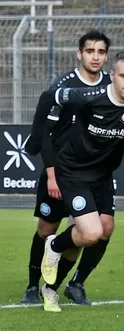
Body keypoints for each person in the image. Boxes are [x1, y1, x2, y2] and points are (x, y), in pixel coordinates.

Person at [22, 30, 112, 309]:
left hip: (95, 172)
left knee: (101, 229)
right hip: (62, 169)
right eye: (90, 51)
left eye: (101, 52)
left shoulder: (112, 86)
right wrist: (51, 173)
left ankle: (75, 283)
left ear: (106, 56)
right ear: (79, 54)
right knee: (46, 229)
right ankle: (32, 285)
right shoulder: (64, 87)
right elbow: (45, 133)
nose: (95, 57)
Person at [40, 50, 124, 312]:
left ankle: (55, 288)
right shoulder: (90, 97)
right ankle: (54, 244)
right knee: (90, 233)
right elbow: (51, 97)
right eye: (123, 76)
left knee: (104, 230)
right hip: (74, 172)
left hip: (102, 176)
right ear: (112, 76)